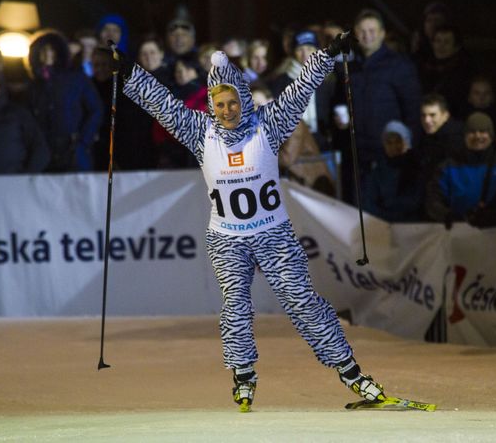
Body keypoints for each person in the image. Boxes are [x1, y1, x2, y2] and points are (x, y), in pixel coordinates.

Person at [121, 34, 394, 411]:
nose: (227, 109)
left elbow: (301, 89)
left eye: (233, 101)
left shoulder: (268, 125)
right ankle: (243, 375)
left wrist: (328, 55)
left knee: (301, 300)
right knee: (235, 304)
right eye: (220, 104)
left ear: (244, 99)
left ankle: (350, 371)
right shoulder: (201, 132)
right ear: (211, 106)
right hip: (227, 239)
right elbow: (162, 104)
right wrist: (129, 73)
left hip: (273, 233)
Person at [343, 9, 421, 184]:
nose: (367, 36)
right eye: (362, 31)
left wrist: (408, 148)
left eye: (372, 31)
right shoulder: (351, 67)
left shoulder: (399, 66)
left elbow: (413, 110)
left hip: (389, 155)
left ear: (382, 34)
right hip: (359, 156)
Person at [26, 29, 103, 172]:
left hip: (73, 151)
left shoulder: (76, 78)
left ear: (59, 52)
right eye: (43, 50)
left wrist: (83, 140)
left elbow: (96, 109)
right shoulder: (34, 86)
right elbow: (28, 119)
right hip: (44, 153)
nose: (48, 54)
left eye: (52, 50)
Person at [425, 112, 496, 224]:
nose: (477, 136)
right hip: (459, 231)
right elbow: (433, 199)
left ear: (491, 136)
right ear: (464, 136)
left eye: (483, 131)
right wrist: (448, 215)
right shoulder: (448, 167)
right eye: (472, 132)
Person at [269, 30, 337, 152]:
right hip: (293, 144)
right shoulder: (281, 81)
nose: (305, 54)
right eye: (300, 49)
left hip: (323, 144)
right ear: (293, 53)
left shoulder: (328, 79)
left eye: (309, 48)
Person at [362, 120, 423, 222]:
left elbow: (416, 201)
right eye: (389, 142)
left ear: (406, 142)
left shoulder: (416, 169)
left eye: (398, 141)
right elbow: (369, 204)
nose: (394, 147)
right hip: (383, 226)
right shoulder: (377, 172)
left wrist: (392, 205)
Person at [417, 93, 463, 185]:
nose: (427, 120)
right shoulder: (427, 137)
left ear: (445, 116)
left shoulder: (456, 141)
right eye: (423, 115)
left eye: (432, 115)